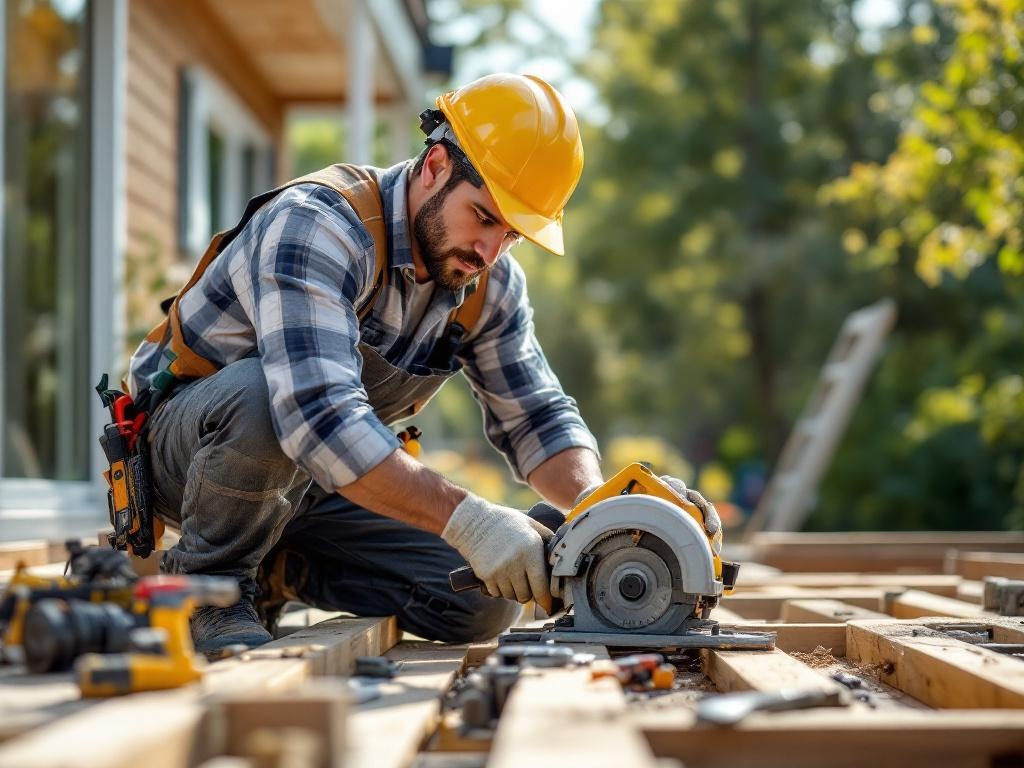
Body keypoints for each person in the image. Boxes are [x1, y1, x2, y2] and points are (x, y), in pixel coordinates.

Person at [128, 73, 720, 654]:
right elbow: (319, 419)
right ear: (435, 165)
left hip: (312, 482)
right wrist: (471, 521)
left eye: (512, 235)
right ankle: (211, 588)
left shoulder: (486, 282)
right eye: (483, 217)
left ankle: (279, 569)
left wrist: (605, 510)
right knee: (264, 396)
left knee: (483, 598)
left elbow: (536, 416)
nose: (489, 251)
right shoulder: (317, 225)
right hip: (191, 455)